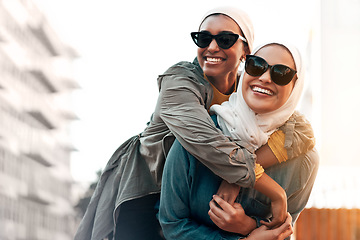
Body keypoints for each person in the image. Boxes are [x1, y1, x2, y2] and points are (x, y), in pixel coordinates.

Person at [74, 7, 315, 240]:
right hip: (146, 191)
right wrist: (272, 190)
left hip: (199, 189)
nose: (212, 47)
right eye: (203, 38)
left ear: (246, 51)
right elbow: (206, 142)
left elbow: (301, 130)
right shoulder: (179, 82)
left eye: (225, 39)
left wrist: (243, 193)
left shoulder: (250, 87)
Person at [158, 41, 319, 239]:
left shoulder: (304, 161)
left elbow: (283, 232)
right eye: (256, 65)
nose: (265, 78)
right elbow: (172, 225)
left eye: (281, 73)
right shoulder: (198, 137)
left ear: (296, 86)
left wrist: (247, 225)